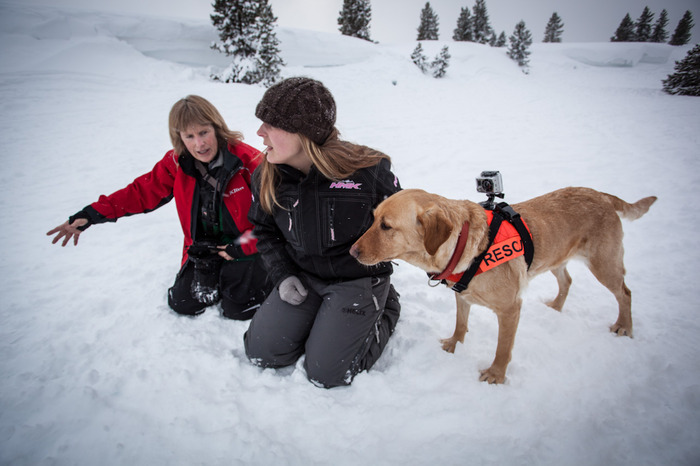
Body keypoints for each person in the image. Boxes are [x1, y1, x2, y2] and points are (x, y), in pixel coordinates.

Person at [46, 95, 271, 319]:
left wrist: (242, 247)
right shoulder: (176, 163)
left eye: (203, 132)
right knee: (183, 303)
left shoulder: (247, 161)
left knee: (238, 309)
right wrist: (91, 215)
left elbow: (273, 217)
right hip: (204, 249)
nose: (199, 144)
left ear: (217, 128)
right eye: (189, 136)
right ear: (179, 137)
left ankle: (263, 278)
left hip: (245, 246)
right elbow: (140, 193)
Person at [244, 77, 402, 388]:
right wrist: (282, 274)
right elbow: (263, 229)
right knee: (262, 352)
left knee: (326, 374)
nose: (260, 133)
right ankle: (327, 318)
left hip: (356, 278)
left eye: (270, 124)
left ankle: (385, 306)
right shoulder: (267, 174)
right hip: (304, 277)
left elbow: (400, 224)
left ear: (303, 132)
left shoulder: (369, 170)